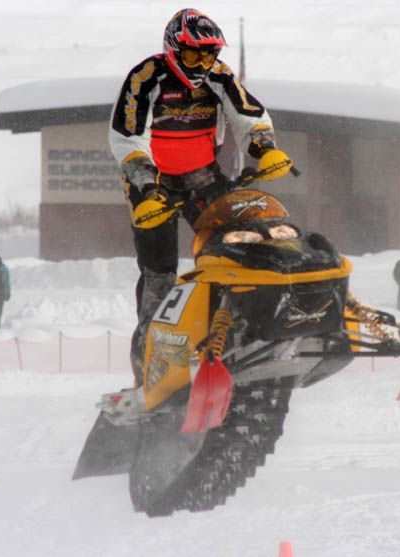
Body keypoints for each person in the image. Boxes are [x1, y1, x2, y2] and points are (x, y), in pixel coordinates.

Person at [108, 8, 292, 384]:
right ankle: (150, 370)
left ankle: (244, 334)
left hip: (203, 178)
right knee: (159, 276)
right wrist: (145, 187)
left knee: (238, 247)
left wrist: (264, 147)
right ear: (174, 49)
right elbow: (128, 136)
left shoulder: (220, 77)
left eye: (210, 55)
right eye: (195, 55)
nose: (203, 63)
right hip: (151, 183)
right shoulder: (146, 78)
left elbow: (249, 115)